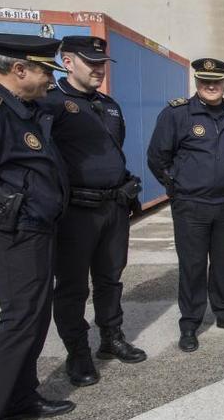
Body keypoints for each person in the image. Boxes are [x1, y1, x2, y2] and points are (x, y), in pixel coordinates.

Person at [0, 34, 75, 420]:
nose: (49, 80)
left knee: (35, 318)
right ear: (19, 70)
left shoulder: (25, 110)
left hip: (34, 230)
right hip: (7, 233)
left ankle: (21, 396)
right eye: (44, 71)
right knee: (19, 319)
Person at [40, 36, 146, 388]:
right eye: (91, 63)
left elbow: (114, 152)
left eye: (102, 63)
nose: (99, 69)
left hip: (113, 207)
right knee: (72, 287)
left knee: (110, 279)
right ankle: (78, 352)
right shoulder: (52, 104)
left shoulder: (110, 106)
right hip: (76, 212)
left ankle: (111, 338)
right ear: (67, 62)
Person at [148, 58, 224, 352]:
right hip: (191, 205)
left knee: (223, 264)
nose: (211, 86)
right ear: (196, 82)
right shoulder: (177, 114)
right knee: (193, 266)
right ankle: (191, 322)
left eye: (216, 81)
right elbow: (157, 157)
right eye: (204, 80)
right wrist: (177, 188)